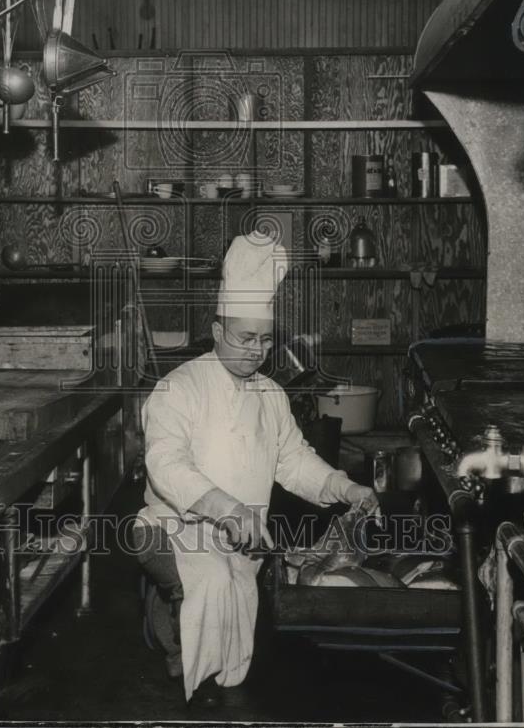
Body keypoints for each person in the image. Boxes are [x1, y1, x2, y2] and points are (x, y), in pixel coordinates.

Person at [132, 232, 377, 705]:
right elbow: (166, 463)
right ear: (218, 329)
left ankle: (173, 619)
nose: (255, 351)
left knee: (237, 635)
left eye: (265, 340)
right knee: (210, 585)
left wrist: (344, 487)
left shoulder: (271, 395)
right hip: (169, 527)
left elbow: (295, 460)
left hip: (241, 538)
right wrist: (225, 508)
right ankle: (171, 637)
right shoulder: (178, 388)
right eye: (245, 338)